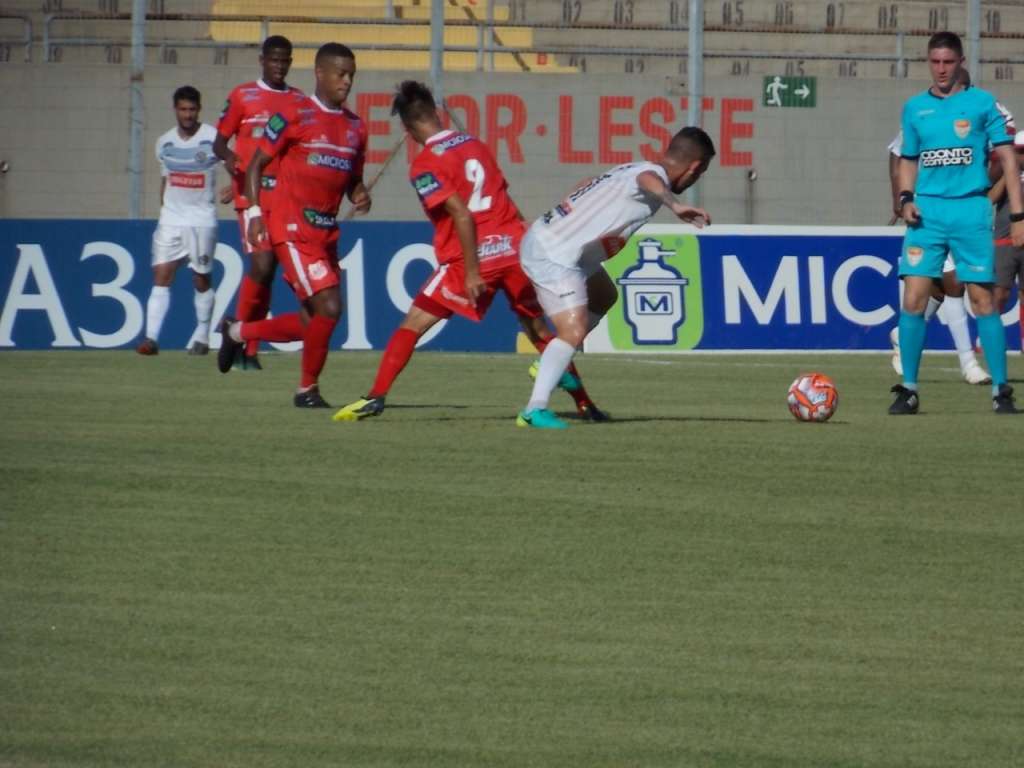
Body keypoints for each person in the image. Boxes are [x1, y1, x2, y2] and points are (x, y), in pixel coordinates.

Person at [332, 81, 605, 423]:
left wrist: (474, 271)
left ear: (407, 126)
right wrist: (529, 242)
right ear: (436, 112)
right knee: (539, 331)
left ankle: (375, 397)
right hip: (516, 247)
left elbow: (461, 213)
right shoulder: (476, 145)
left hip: (473, 256)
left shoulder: (424, 164)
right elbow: (504, 198)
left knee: (413, 323)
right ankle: (585, 404)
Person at [517, 126, 716, 429]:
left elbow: (588, 183)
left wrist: (569, 216)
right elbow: (648, 182)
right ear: (695, 166)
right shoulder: (651, 175)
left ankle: (550, 365)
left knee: (604, 296)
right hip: (553, 253)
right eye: (701, 174)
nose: (696, 180)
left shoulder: (631, 166)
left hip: (561, 246)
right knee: (573, 329)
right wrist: (675, 206)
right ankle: (534, 410)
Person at [218, 43, 370, 408]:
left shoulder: (355, 127)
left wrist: (360, 193)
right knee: (331, 307)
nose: (347, 82)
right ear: (320, 73)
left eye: (351, 75)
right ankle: (307, 390)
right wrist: (254, 215)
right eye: (341, 74)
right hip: (292, 229)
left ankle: (237, 331)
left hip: (326, 232)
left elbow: (353, 180)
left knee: (310, 321)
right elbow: (254, 165)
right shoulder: (292, 113)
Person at [890, 31, 1024, 415]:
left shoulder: (983, 104)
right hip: (927, 215)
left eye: (949, 62)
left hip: (969, 211)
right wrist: (905, 199)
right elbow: (908, 159)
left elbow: (1008, 160)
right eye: (935, 62)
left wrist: (1018, 216)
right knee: (914, 298)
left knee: (983, 300)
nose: (942, 69)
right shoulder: (915, 108)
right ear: (928, 62)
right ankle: (909, 388)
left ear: (961, 62)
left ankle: (1001, 390)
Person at [213, 35, 305, 370]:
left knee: (267, 271)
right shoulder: (243, 95)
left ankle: (248, 348)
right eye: (274, 60)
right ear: (262, 60)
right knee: (262, 265)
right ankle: (238, 340)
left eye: (285, 60)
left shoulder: (298, 101)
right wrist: (235, 163)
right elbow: (219, 143)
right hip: (251, 194)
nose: (280, 66)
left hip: (284, 196)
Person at [886, 104, 994, 385]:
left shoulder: (974, 115)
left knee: (940, 288)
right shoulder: (923, 116)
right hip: (926, 213)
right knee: (954, 282)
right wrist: (900, 197)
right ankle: (968, 363)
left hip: (960, 212)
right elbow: (896, 154)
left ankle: (902, 335)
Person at [137, 86, 221, 356]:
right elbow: (166, 179)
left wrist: (235, 188)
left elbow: (235, 164)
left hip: (201, 220)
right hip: (171, 219)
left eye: (192, 109)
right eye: (183, 109)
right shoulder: (164, 142)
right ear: (175, 110)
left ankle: (202, 335)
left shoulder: (213, 138)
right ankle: (150, 339)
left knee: (201, 280)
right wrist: (165, 210)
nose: (187, 115)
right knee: (161, 275)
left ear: (199, 110)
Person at [992, 130, 1024, 343]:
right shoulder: (1006, 173)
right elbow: (990, 199)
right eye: (1020, 152)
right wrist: (1008, 173)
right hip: (1005, 242)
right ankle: (989, 338)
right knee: (999, 294)